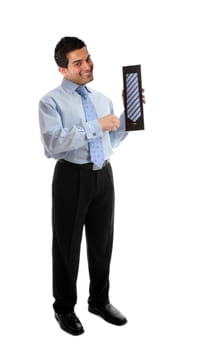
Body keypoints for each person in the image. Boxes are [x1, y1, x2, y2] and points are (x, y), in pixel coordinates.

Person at [39, 36, 145, 336]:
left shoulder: (101, 99)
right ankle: (64, 308)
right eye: (78, 63)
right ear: (63, 69)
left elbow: (109, 141)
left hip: (103, 176)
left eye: (88, 58)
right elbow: (53, 144)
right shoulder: (50, 102)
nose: (87, 66)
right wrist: (95, 125)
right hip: (71, 177)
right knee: (66, 246)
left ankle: (99, 300)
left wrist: (128, 116)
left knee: (102, 243)